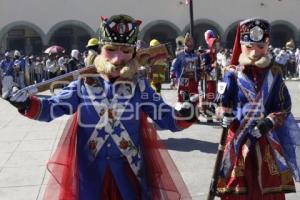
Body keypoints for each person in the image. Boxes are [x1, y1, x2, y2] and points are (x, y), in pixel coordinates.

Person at [5, 14, 194, 200]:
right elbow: (51, 108)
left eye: (126, 51)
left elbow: (166, 117)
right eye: (111, 50)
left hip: (130, 172)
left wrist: (186, 112)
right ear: (100, 50)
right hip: (90, 175)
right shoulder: (83, 84)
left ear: (134, 54)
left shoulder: (140, 86)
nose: (118, 58)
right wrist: (26, 104)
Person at [216, 18, 300, 200]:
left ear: (267, 46)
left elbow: (284, 106)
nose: (255, 52)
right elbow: (222, 103)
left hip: (265, 140)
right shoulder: (231, 74)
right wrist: (224, 115)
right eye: (250, 47)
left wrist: (269, 122)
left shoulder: (274, 74)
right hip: (238, 139)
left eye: (260, 47)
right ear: (242, 45)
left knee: (268, 191)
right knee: (236, 190)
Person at [171, 33, 201, 102]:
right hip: (184, 81)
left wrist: (199, 74)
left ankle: (194, 111)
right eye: (187, 43)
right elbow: (174, 67)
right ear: (185, 44)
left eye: (191, 43)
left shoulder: (196, 55)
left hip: (194, 80)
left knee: (194, 100)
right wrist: (174, 80)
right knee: (185, 100)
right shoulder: (180, 55)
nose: (189, 45)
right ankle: (184, 111)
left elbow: (199, 67)